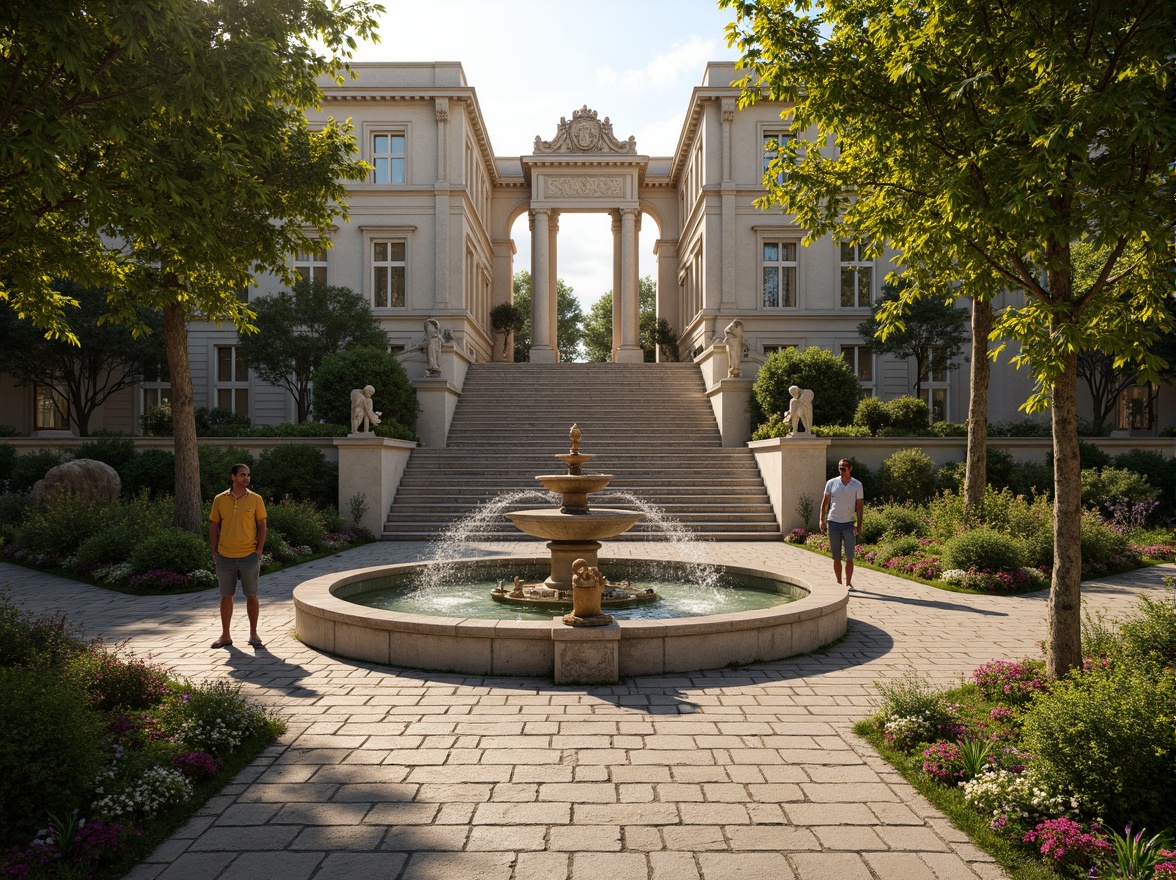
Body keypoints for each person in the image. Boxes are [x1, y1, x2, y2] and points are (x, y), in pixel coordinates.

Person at [209, 463, 267, 648]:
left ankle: (254, 635)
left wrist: (258, 551)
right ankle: (225, 636)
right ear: (233, 477)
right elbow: (213, 526)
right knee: (226, 595)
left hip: (249, 555)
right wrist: (214, 551)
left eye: (248, 475)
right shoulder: (219, 499)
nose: (247, 478)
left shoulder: (256, 499)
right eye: (243, 475)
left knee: (252, 595)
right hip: (225, 555)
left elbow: (262, 525)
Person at [819, 458, 864, 591]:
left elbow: (860, 506)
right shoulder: (831, 483)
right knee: (836, 556)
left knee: (850, 555)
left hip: (849, 524)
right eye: (840, 466)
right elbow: (825, 502)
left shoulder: (857, 485)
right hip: (833, 522)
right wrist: (821, 519)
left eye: (844, 466)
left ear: (850, 468)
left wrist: (859, 525)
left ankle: (848, 583)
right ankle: (838, 583)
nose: (842, 468)